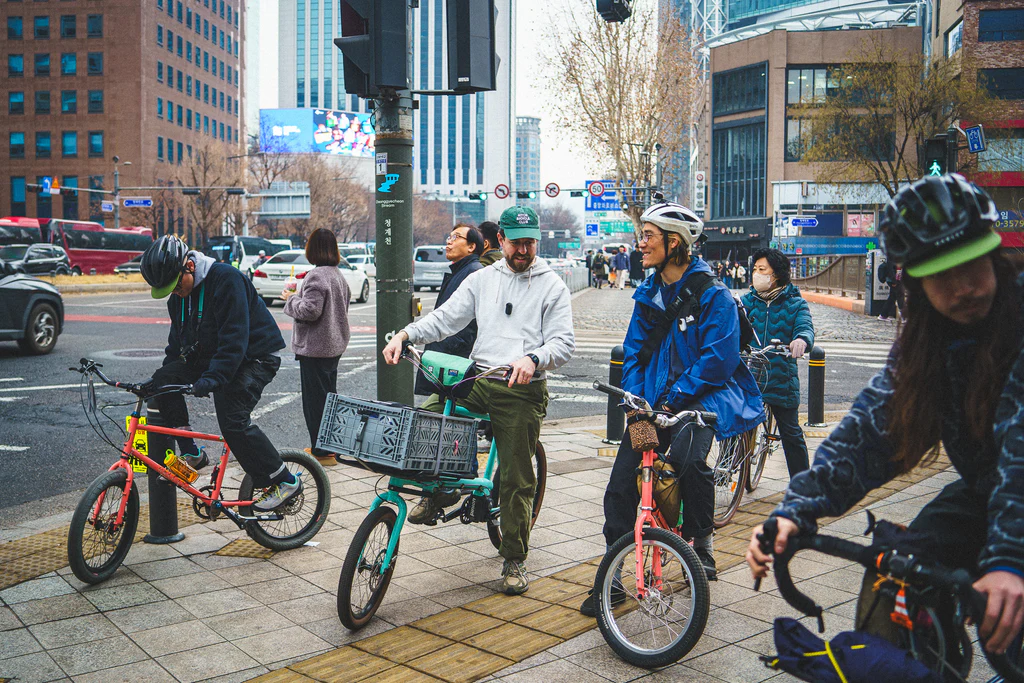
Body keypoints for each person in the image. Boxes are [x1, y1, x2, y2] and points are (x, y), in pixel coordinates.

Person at [746, 174, 1024, 658]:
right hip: (986, 491)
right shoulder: (929, 344)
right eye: (940, 274)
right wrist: (796, 510)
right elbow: (873, 429)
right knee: (901, 578)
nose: (961, 288)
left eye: (972, 265)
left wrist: (1010, 560)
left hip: (1012, 495)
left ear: (995, 254)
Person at [580, 202, 764, 617]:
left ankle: (701, 542)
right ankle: (611, 580)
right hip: (651, 406)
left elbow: (718, 360)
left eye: (648, 235)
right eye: (641, 235)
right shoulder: (647, 294)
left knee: (689, 463)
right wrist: (635, 405)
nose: (640, 243)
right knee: (622, 485)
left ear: (674, 242)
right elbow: (634, 355)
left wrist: (673, 400)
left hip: (698, 402)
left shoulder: (714, 295)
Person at [383, 206, 575, 596]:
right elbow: (446, 318)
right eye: (516, 242)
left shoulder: (552, 284)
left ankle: (515, 558)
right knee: (429, 418)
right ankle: (445, 489)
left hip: (522, 384)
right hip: (481, 374)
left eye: (530, 242)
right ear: (499, 240)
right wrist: (405, 335)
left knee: (517, 478)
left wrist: (534, 358)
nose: (524, 250)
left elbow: (563, 343)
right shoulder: (483, 279)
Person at [140, 235, 301, 512]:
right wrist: (159, 380)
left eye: (176, 284)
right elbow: (176, 346)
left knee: (232, 419)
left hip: (254, 357)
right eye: (169, 290)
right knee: (164, 382)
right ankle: (192, 454)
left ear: (189, 266)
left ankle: (283, 480)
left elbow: (234, 340)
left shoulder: (227, 279)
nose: (175, 292)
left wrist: (214, 378)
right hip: (214, 356)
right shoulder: (177, 300)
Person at [741, 248, 815, 478]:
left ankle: (803, 487)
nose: (757, 274)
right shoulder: (746, 302)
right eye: (754, 270)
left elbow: (805, 327)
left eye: (762, 270)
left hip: (781, 377)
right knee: (735, 424)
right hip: (750, 376)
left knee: (791, 434)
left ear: (777, 275)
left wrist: (801, 340)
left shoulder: (796, 304)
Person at [282, 228, 352, 467]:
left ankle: (321, 450)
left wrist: (290, 298)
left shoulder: (316, 276)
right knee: (329, 398)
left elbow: (309, 311)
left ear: (313, 249)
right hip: (334, 345)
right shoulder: (337, 275)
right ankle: (329, 446)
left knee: (315, 402)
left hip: (315, 348)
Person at [413, 223, 485, 395]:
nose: (448, 242)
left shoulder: (473, 273)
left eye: (456, 237)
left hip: (454, 362)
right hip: (448, 359)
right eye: (449, 237)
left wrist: (445, 347)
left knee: (436, 413)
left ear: (471, 247)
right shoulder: (463, 270)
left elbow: (467, 326)